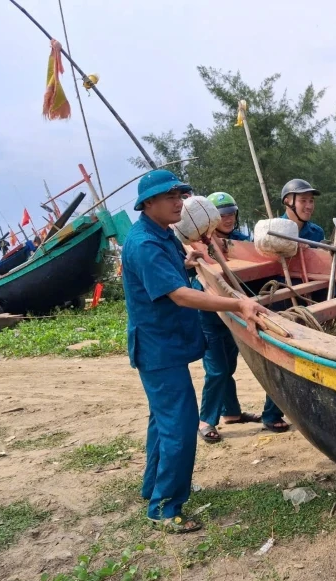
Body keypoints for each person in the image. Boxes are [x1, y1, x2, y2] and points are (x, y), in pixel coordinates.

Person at [122, 169, 266, 533]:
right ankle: (166, 507)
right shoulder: (144, 244)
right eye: (169, 197)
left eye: (180, 195)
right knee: (180, 425)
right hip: (158, 348)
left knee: (162, 419)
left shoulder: (163, 234)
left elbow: (175, 273)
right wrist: (238, 304)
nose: (178, 203)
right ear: (148, 203)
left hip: (167, 341)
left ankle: (153, 487)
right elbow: (180, 295)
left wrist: (188, 262)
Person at [192, 192, 261, 444]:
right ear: (211, 218)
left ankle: (230, 413)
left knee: (229, 365)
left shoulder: (241, 240)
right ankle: (206, 420)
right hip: (210, 316)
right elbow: (195, 283)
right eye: (222, 215)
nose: (228, 218)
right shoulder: (195, 244)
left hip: (235, 313)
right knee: (218, 370)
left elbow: (259, 254)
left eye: (231, 213)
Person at [259, 178, 326, 433]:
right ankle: (271, 413)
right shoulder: (271, 230)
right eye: (304, 201)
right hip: (281, 297)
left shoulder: (316, 232)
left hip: (310, 294)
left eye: (311, 201)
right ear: (288, 201)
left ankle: (309, 408)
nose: (309, 206)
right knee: (280, 355)